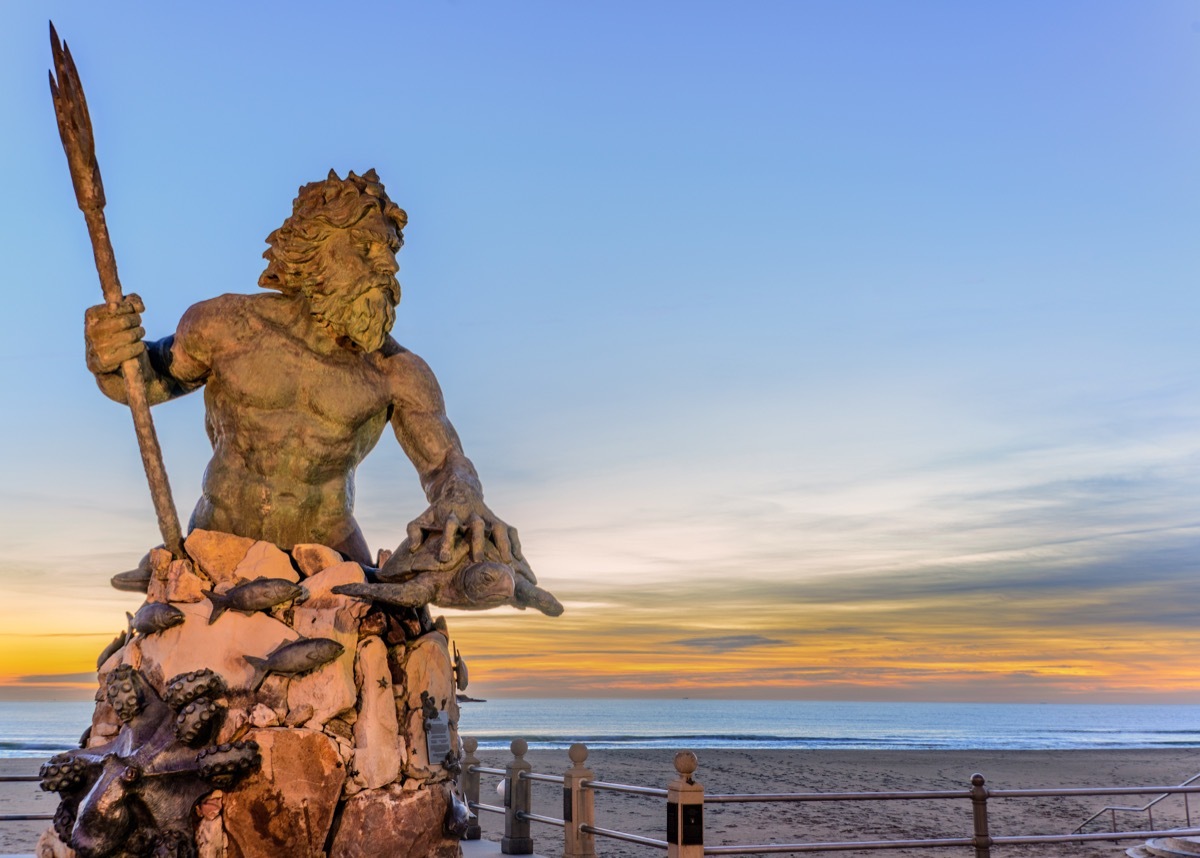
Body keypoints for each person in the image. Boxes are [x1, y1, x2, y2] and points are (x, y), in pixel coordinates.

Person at [85, 169, 532, 583]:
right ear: (316, 247)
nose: (389, 267)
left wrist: (463, 494)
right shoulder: (225, 327)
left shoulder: (396, 373)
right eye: (366, 248)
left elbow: (445, 464)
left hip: (331, 560)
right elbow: (141, 383)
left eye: (391, 252)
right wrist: (110, 356)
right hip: (218, 548)